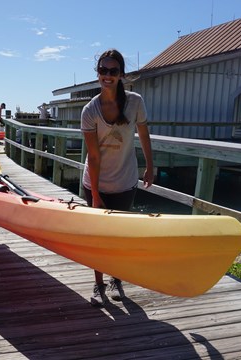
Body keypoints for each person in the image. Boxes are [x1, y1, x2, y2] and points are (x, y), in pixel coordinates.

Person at [81, 49, 154, 306]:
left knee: (120, 236)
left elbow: (144, 135)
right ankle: (98, 284)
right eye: (103, 70)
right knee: (97, 238)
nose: (108, 76)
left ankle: (117, 279)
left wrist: (150, 165)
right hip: (95, 183)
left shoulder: (135, 102)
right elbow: (93, 156)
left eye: (113, 71)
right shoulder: (89, 110)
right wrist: (97, 195)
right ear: (97, 73)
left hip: (125, 181)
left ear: (121, 74)